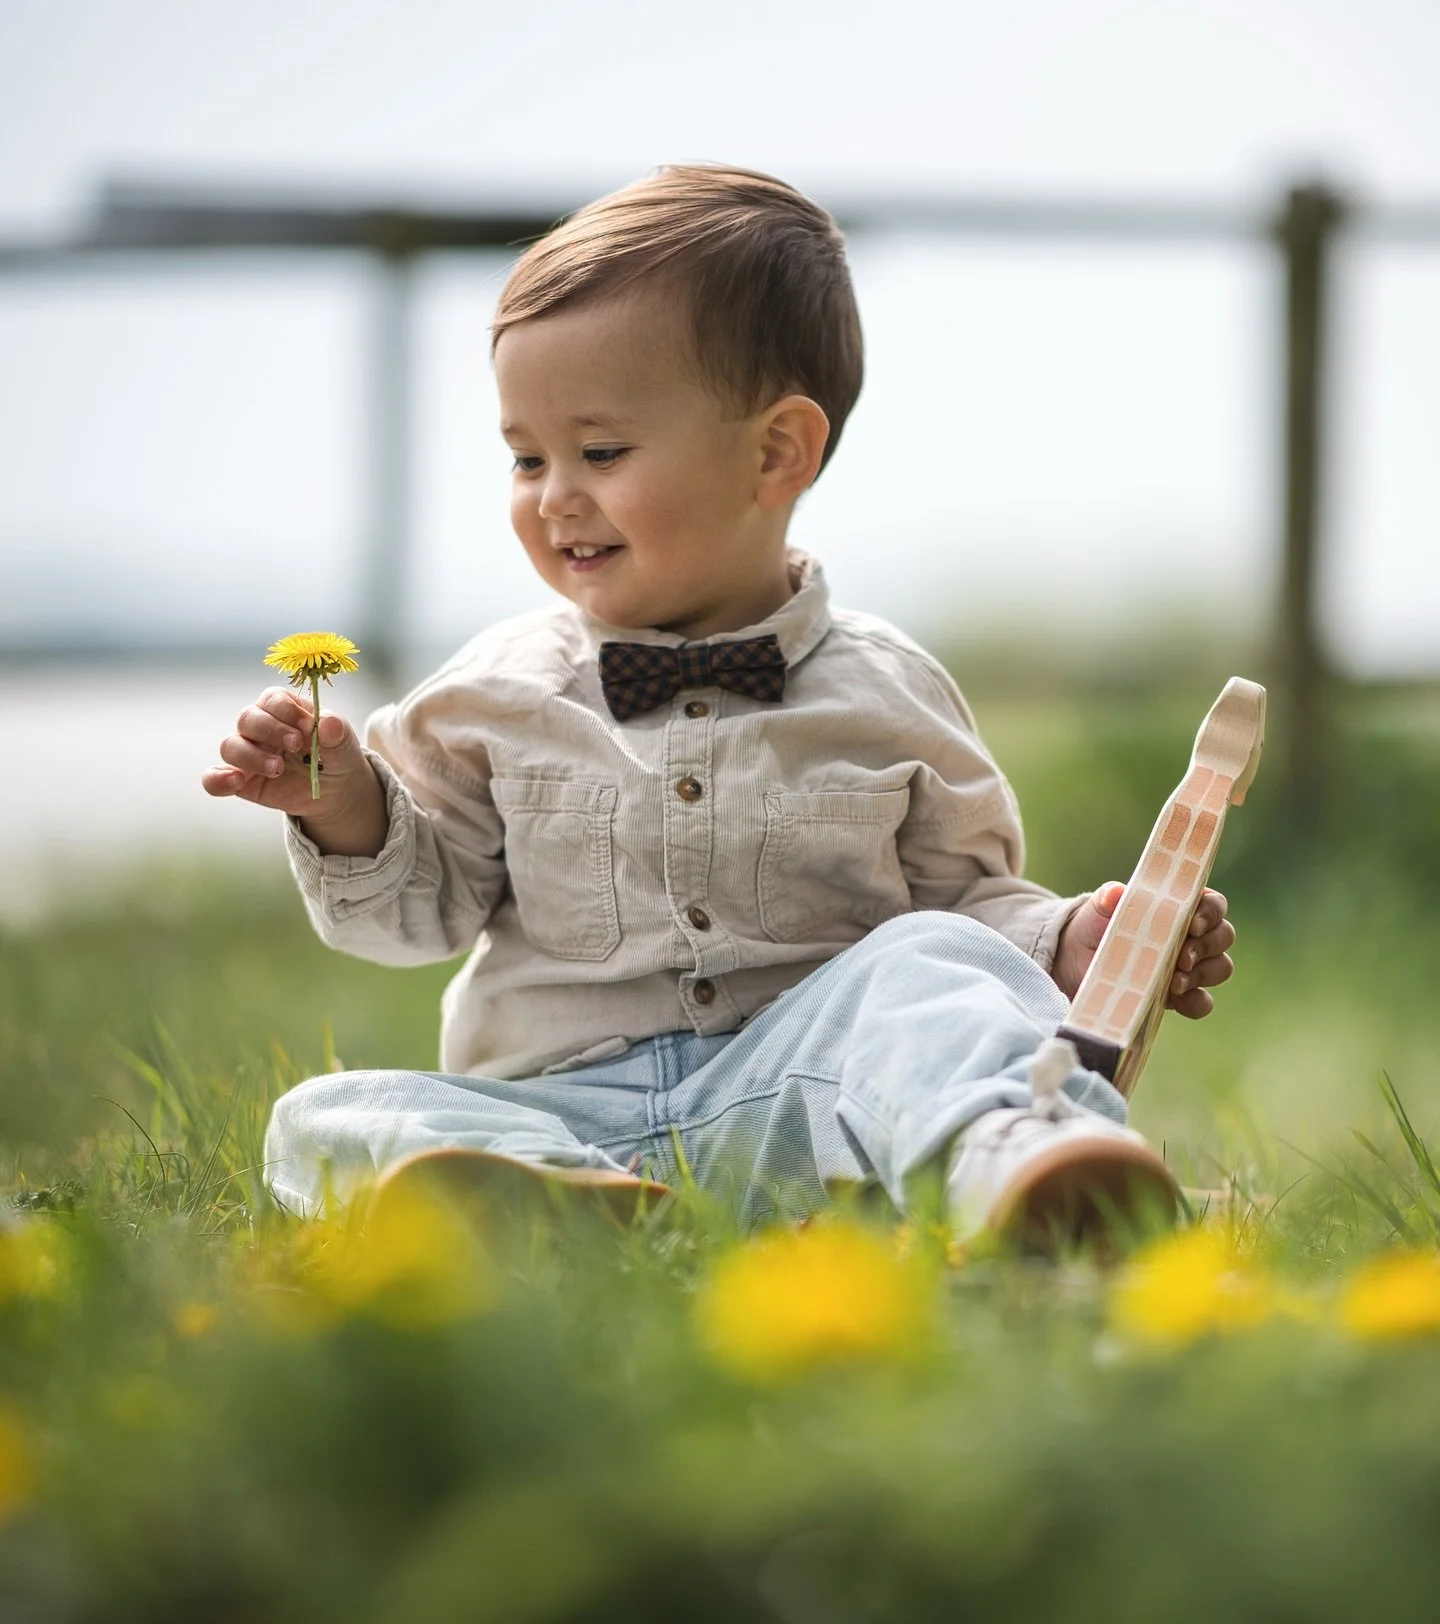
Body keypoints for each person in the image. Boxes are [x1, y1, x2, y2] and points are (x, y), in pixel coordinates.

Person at [202, 165, 1235, 1246]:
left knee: (924, 968)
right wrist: (347, 809)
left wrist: (1077, 940)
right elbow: (415, 916)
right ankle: (570, 1210)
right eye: (524, 457)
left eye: (600, 451)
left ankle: (1017, 1158)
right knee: (322, 1118)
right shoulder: (486, 699)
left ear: (776, 452)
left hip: (806, 1106)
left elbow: (968, 918)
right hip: (567, 1111)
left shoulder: (888, 693)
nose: (555, 494)